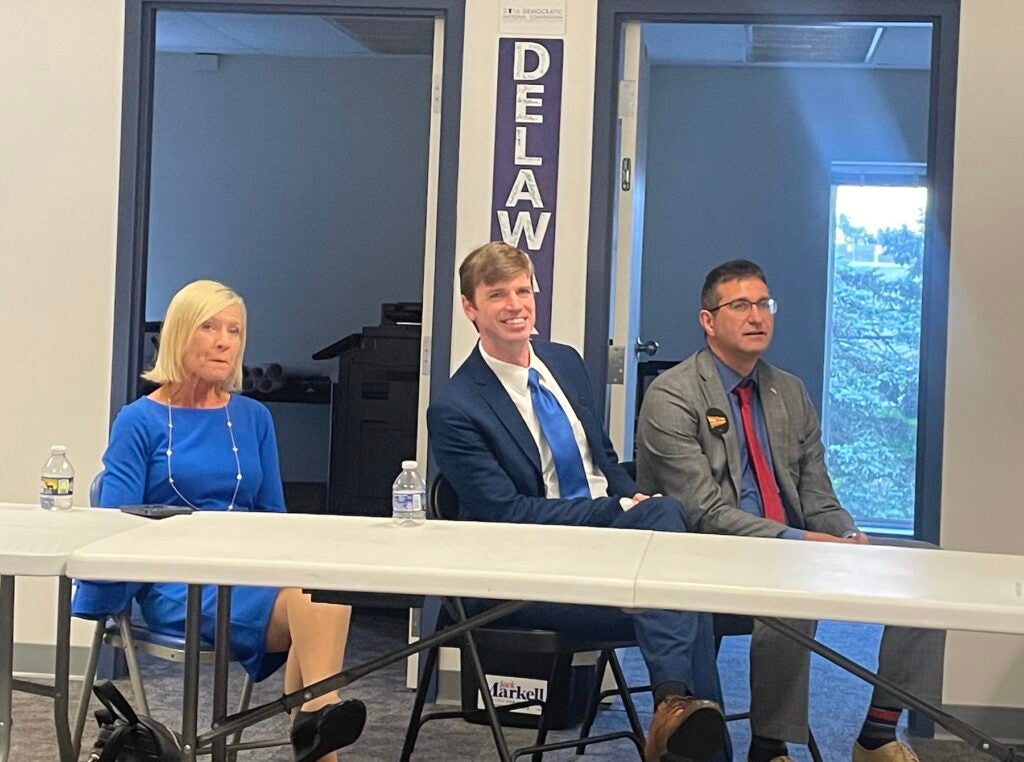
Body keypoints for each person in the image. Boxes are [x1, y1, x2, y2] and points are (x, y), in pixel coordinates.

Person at [427, 242, 728, 762]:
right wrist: (616, 514)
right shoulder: (456, 408)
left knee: (675, 570)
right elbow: (506, 515)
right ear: (469, 308)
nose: (516, 304)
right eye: (497, 295)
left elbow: (603, 461)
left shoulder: (564, 363)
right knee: (678, 566)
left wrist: (626, 494)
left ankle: (674, 709)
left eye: (523, 290)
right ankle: (679, 717)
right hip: (526, 573)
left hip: (612, 554)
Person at [636, 259, 944, 762]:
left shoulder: (789, 391)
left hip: (794, 547)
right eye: (740, 305)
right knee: (791, 587)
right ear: (708, 321)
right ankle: (769, 746)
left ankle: (878, 735)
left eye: (764, 304)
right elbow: (705, 512)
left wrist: (844, 535)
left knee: (928, 565)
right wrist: (799, 544)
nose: (756, 316)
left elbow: (817, 496)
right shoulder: (673, 394)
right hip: (710, 557)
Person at [73, 280, 365, 762]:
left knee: (327, 592)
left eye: (234, 330)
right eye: (210, 327)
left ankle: (317, 718)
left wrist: (283, 563)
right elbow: (116, 527)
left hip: (249, 570)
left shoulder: (252, 417)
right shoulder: (138, 421)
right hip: (175, 581)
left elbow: (274, 516)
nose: (225, 340)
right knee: (314, 615)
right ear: (180, 336)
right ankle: (317, 730)